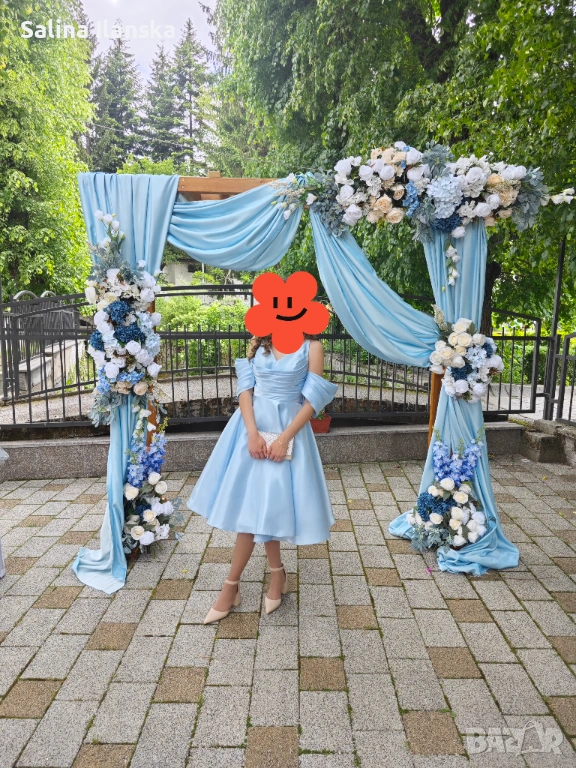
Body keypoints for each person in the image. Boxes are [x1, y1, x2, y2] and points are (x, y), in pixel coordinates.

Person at [187, 333, 338, 624]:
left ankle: (233, 587)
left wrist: (284, 439)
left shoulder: (312, 347)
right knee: (256, 507)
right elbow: (246, 390)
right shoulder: (260, 341)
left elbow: (313, 401)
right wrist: (252, 433)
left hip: (288, 432)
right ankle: (272, 576)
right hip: (251, 430)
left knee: (267, 506)